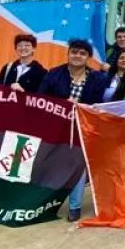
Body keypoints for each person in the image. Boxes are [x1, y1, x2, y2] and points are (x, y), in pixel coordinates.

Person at [40, 39, 96, 220]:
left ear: (88, 57)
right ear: (68, 54)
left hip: (82, 128)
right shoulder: (53, 74)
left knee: (78, 167)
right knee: (51, 166)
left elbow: (101, 104)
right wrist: (61, 105)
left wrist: (80, 106)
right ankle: (46, 205)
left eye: (82, 53)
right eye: (74, 52)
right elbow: (41, 98)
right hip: (56, 128)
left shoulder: (97, 78)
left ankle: (75, 206)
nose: (77, 56)